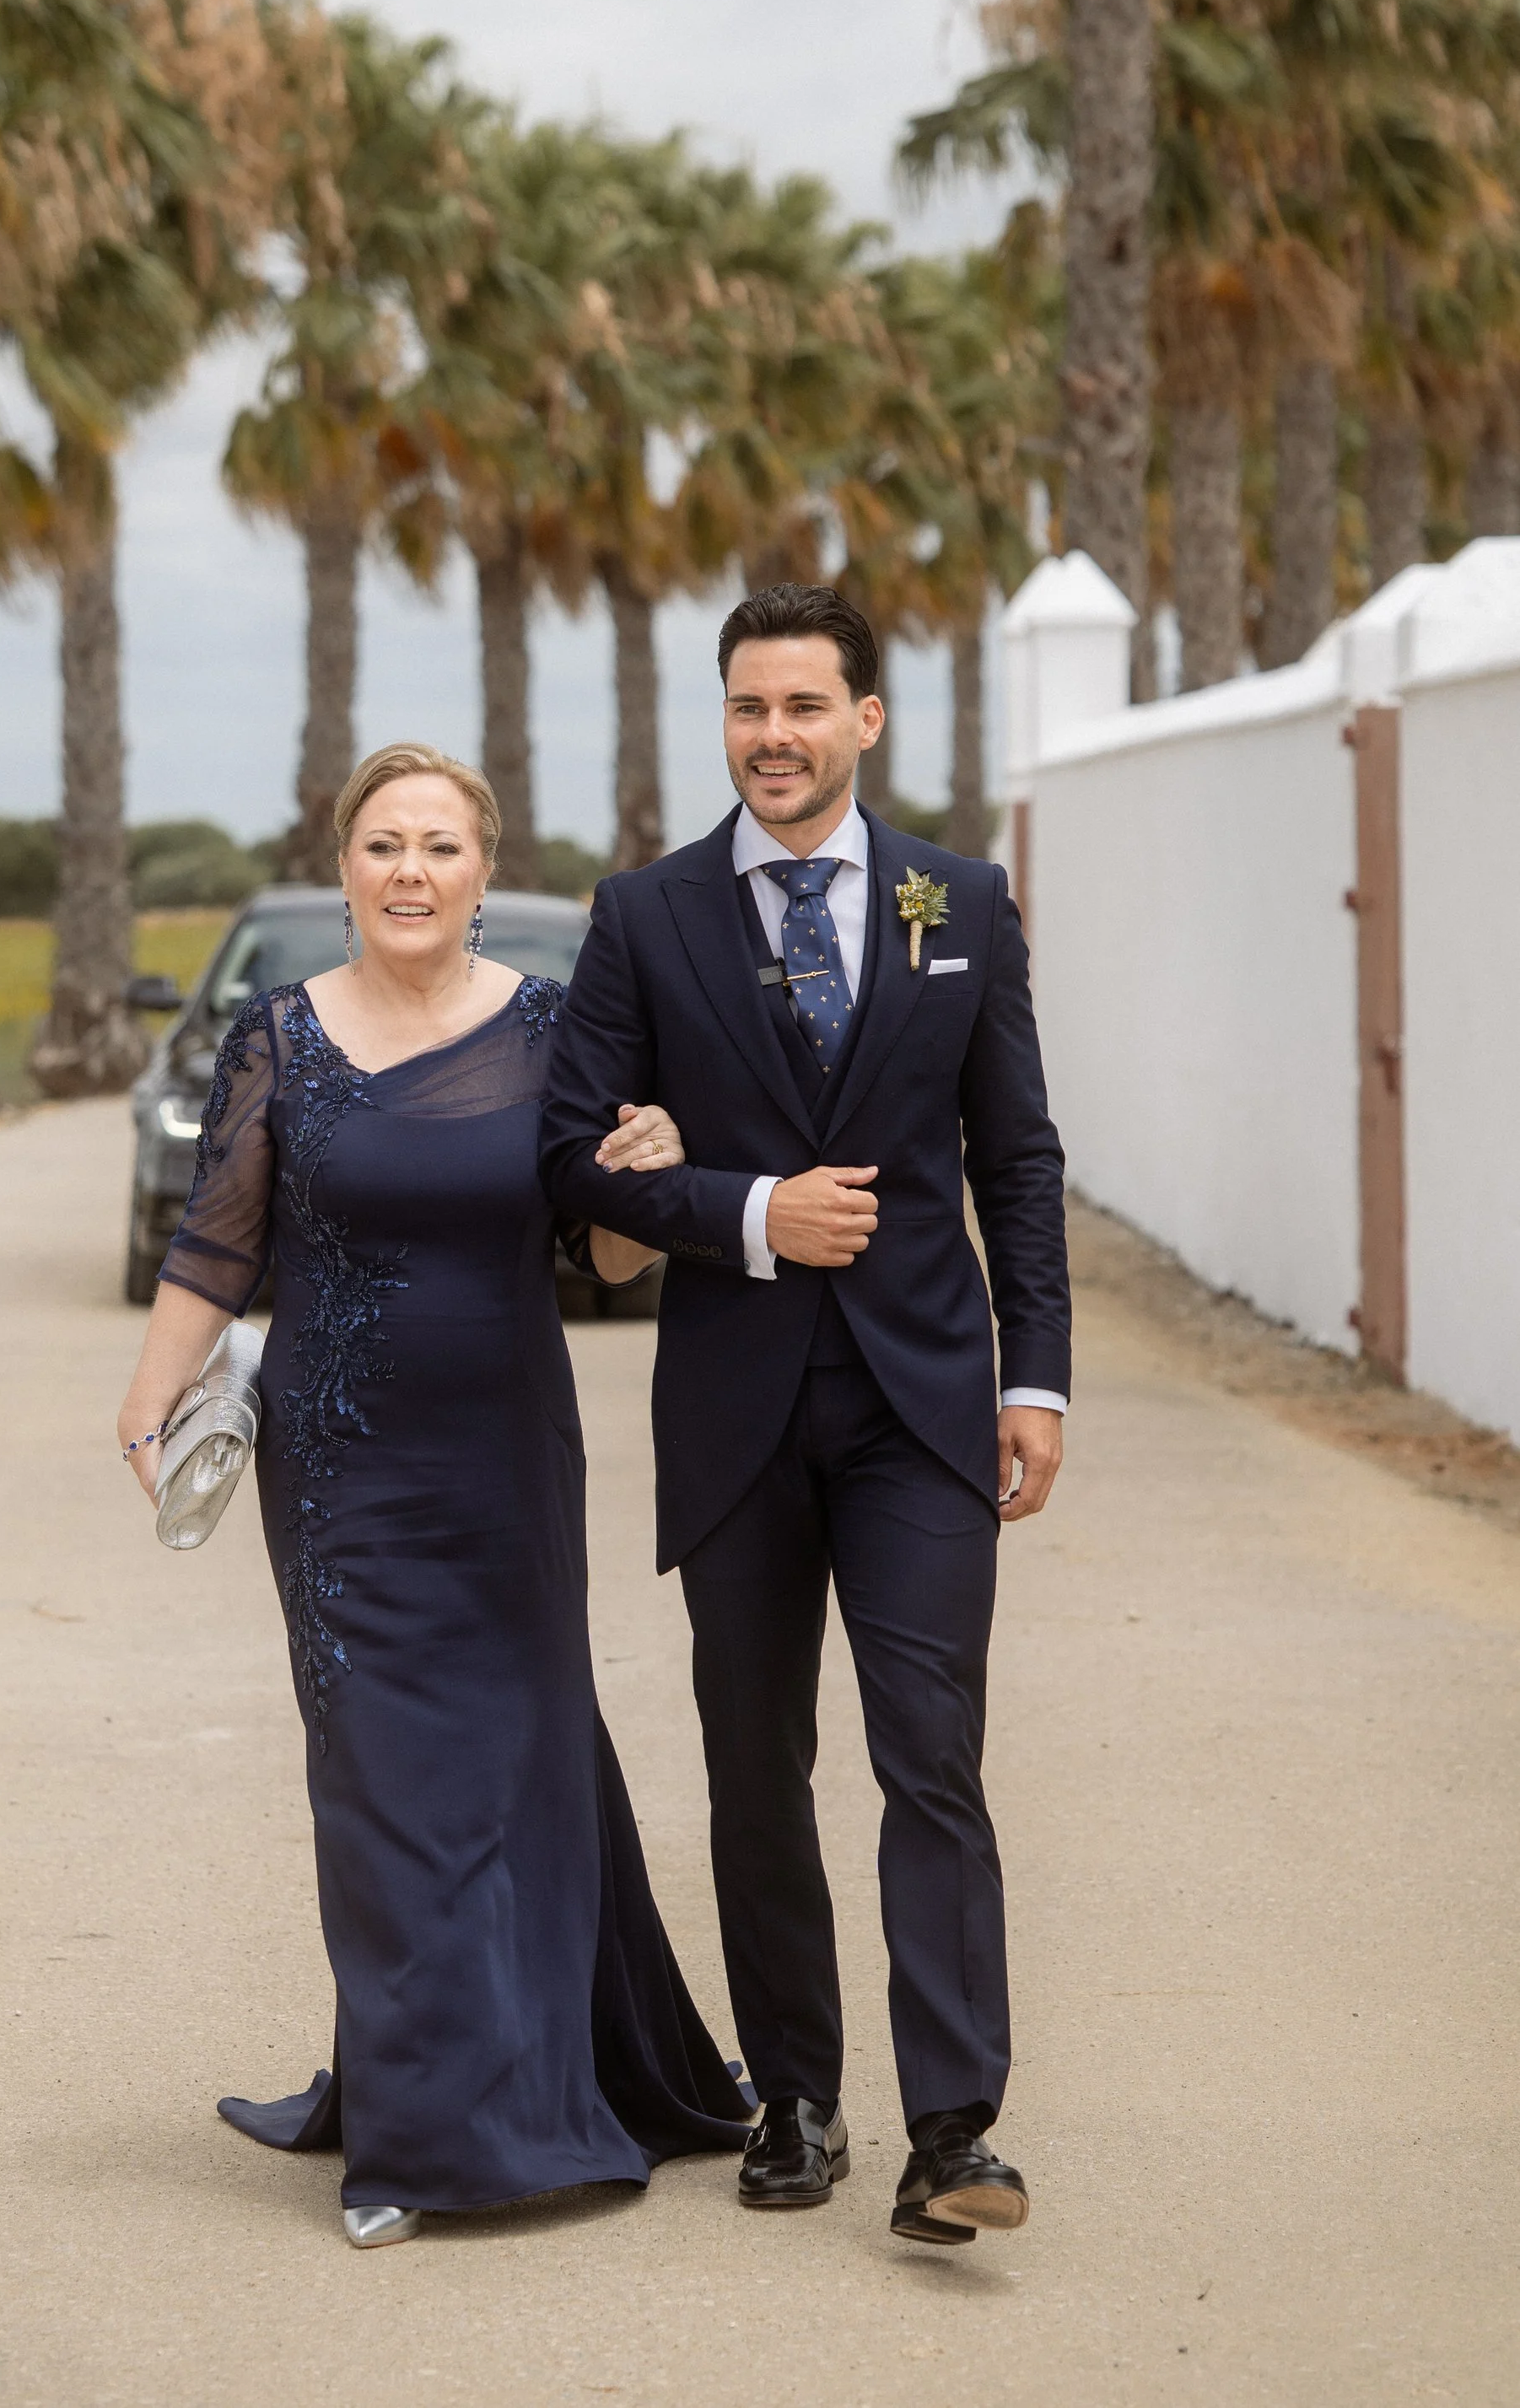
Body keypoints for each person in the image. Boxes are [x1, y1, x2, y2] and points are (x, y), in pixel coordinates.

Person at [117, 741, 748, 2246]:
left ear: (482, 869)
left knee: (522, 1760)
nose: (411, 870)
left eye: (440, 847)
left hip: (506, 1458)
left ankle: (550, 2072)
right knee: (386, 1785)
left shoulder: (554, 1032)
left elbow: (599, 1259)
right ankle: (419, 2136)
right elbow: (219, 1242)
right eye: (384, 844)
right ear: (345, 865)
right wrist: (148, 1400)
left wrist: (647, 1177)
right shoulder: (279, 1036)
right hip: (335, 1466)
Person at [540, 584, 1071, 2247]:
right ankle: (791, 2094)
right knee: (751, 1765)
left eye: (798, 707)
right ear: (724, 722)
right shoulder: (644, 916)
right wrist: (751, 1215)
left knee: (930, 1757)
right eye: (743, 708)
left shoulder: (956, 901)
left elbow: (1016, 1162)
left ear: (864, 721)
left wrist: (1034, 1375)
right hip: (733, 1405)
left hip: (922, 1403)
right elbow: (570, 1161)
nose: (769, 737)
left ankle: (951, 2130)